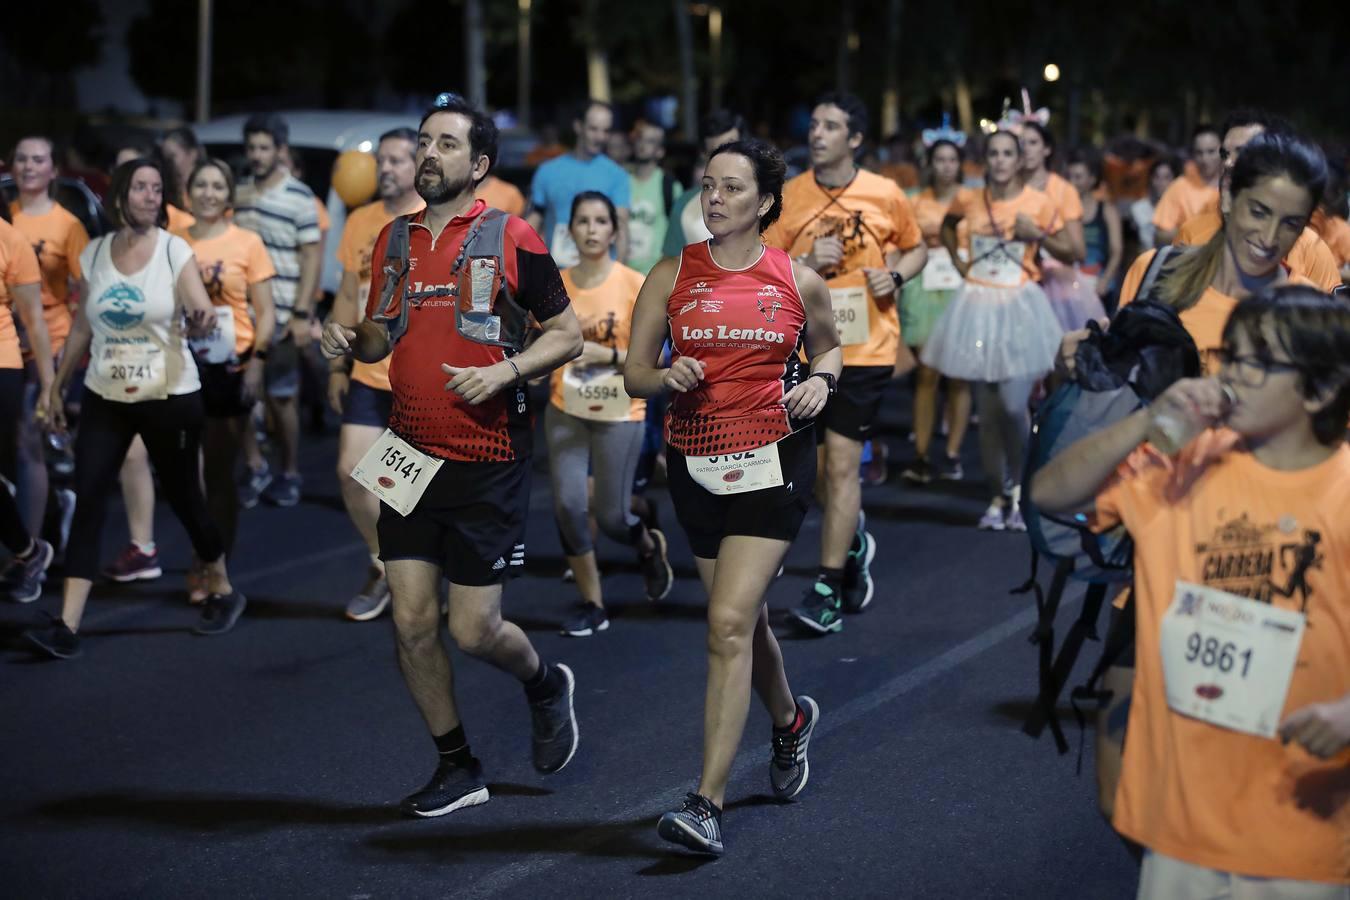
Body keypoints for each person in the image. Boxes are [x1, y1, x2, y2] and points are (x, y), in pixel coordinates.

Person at [1030, 283, 1350, 899]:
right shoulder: (1183, 464)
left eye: (1260, 362)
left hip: (1301, 830)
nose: (1234, 375)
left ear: (1321, 388)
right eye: (1231, 356)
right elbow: (1050, 495)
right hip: (1181, 822)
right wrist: (1150, 420)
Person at [319, 93, 582, 816]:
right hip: (409, 452)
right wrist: (351, 343)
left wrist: (505, 371)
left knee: (473, 630)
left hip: (488, 455)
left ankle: (542, 683)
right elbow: (384, 333)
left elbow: (567, 334)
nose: (428, 155)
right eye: (424, 143)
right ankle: (458, 765)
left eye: (444, 145)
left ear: (480, 164)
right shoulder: (394, 240)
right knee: (410, 621)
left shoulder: (512, 236)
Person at [624, 138, 842, 855]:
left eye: (731, 188)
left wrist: (821, 381)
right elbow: (634, 375)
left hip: (774, 462)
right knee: (742, 624)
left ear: (767, 203)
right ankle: (790, 722)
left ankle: (705, 804)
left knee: (724, 624)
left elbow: (829, 346)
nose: (714, 199)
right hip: (695, 464)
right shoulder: (670, 275)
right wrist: (667, 377)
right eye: (707, 186)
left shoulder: (797, 278)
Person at [24, 159, 245, 659]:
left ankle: (225, 589)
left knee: (188, 500)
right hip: (106, 393)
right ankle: (67, 624)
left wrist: (202, 316)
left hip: (170, 396)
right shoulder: (97, 253)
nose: (150, 196)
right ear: (120, 195)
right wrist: (56, 387)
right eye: (141, 188)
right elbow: (82, 326)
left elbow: (197, 304)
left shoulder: (173, 250)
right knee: (89, 499)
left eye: (157, 189)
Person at [762, 91, 927, 634]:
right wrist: (804, 263)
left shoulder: (885, 192)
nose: (817, 134)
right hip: (805, 347)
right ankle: (851, 538)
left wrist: (896, 275)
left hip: (866, 346)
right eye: (813, 124)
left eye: (830, 126)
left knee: (841, 466)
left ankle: (827, 586)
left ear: (855, 138)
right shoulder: (788, 195)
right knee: (809, 474)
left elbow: (915, 246)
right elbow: (762, 266)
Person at [921, 130, 1067, 531]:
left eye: (1008, 154)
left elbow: (1073, 249)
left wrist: (1037, 234)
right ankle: (997, 495)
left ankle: (1021, 487)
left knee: (1011, 405)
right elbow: (949, 227)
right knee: (986, 412)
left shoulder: (1038, 202)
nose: (1001, 160)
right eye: (994, 154)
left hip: (1020, 306)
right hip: (978, 306)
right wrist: (959, 262)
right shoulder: (969, 198)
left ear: (1020, 160)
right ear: (986, 160)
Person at [548, 191, 674, 636]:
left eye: (601, 221)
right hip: (566, 406)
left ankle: (644, 543)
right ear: (570, 230)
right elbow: (537, 343)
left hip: (621, 407)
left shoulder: (635, 283)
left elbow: (658, 358)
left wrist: (608, 353)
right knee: (567, 504)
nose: (591, 230)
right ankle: (591, 601)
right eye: (582, 221)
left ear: (615, 232)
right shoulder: (555, 284)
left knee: (614, 516)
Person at [327, 127, 426, 622]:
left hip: (419, 379)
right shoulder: (359, 220)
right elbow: (348, 295)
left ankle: (419, 580)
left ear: (418, 164)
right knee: (351, 472)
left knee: (405, 488)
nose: (385, 169)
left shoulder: (431, 220)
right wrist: (337, 365)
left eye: (396, 161)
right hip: (368, 372)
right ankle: (381, 564)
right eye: (381, 161)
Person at [175, 158, 276, 598]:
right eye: (202, 185)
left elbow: (267, 312)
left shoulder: (247, 243)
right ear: (189, 192)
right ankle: (202, 553)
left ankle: (215, 564)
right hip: (180, 365)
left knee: (218, 472)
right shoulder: (172, 243)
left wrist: (258, 361)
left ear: (229, 194)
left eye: (218, 185)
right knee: (182, 473)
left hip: (229, 367)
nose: (209, 193)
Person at [232, 113, 323, 508]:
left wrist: (302, 313)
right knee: (240, 395)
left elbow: (312, 258)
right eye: (251, 147)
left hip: (283, 314)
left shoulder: (300, 196)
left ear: (280, 150)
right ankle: (255, 466)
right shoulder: (239, 193)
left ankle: (289, 471)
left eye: (264, 147)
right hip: (241, 314)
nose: (256, 155)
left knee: (281, 398)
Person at [8, 136, 87, 547]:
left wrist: (67, 353)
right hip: (7, 344)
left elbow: (86, 290)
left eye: (38, 159)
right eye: (21, 159)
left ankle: (30, 551)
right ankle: (56, 506)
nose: (28, 166)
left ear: (54, 169)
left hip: (47, 342)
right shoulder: (8, 217)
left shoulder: (67, 226)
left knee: (27, 438)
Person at [1175, 110, 1343, 293]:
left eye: (1244, 153)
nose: (1229, 163)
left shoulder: (1312, 248)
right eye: (1224, 154)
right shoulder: (1192, 232)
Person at [898, 137, 974, 484]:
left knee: (959, 376)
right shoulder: (913, 200)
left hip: (961, 284)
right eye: (939, 159)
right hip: (923, 287)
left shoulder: (972, 200)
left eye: (952, 159)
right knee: (926, 374)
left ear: (960, 164)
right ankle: (921, 455)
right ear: (930, 163)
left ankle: (954, 452)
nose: (946, 165)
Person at [0, 205, 54, 599]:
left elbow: (33, 319)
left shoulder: (11, 240)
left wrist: (49, 383)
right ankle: (28, 551)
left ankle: (27, 551)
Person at [526, 100, 630, 268]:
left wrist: (618, 277)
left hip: (600, 279)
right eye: (593, 129)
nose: (600, 137)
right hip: (555, 278)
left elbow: (621, 229)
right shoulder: (547, 171)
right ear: (578, 126)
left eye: (606, 131)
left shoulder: (617, 175)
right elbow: (531, 224)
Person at [663, 110, 746, 257]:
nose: (728, 158)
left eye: (734, 148)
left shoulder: (764, 199)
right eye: (718, 152)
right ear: (704, 154)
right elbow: (672, 266)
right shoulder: (685, 206)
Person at [1066, 146, 1124, 306]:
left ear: (1092, 179)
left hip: (1099, 288)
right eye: (1069, 176)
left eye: (1078, 177)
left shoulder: (1106, 210)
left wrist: (1105, 280)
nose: (1072, 182)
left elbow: (1116, 251)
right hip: (1068, 287)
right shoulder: (1059, 210)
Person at [1152, 124, 1223, 246]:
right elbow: (1159, 235)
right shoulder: (1180, 186)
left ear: (1223, 150)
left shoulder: (1234, 183)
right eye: (1199, 153)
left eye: (1211, 151)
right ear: (1192, 154)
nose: (1205, 159)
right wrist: (1193, 232)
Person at [625, 122, 681, 274]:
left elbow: (677, 233)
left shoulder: (669, 186)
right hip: (624, 271)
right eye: (640, 139)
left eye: (650, 141)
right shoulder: (621, 182)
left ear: (660, 151)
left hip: (654, 273)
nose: (643, 144)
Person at [1128, 156, 1178, 250]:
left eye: (1166, 177)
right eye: (1156, 177)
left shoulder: (1182, 211)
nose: (1161, 183)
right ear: (1151, 179)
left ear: (1174, 180)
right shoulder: (1137, 210)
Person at [160, 126, 202, 232]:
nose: (167, 163)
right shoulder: (164, 190)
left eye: (172, 156)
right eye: (164, 158)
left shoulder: (207, 190)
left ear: (192, 154)